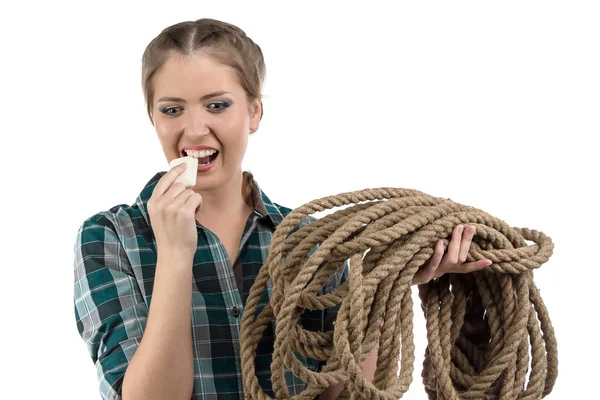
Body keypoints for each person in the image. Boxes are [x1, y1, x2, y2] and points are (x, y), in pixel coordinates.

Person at [73, 18, 493, 400]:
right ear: (152, 116)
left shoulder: (310, 241)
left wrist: (381, 285)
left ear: (254, 112)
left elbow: (341, 396)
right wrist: (176, 253)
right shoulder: (109, 238)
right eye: (172, 109)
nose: (195, 128)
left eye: (217, 105)